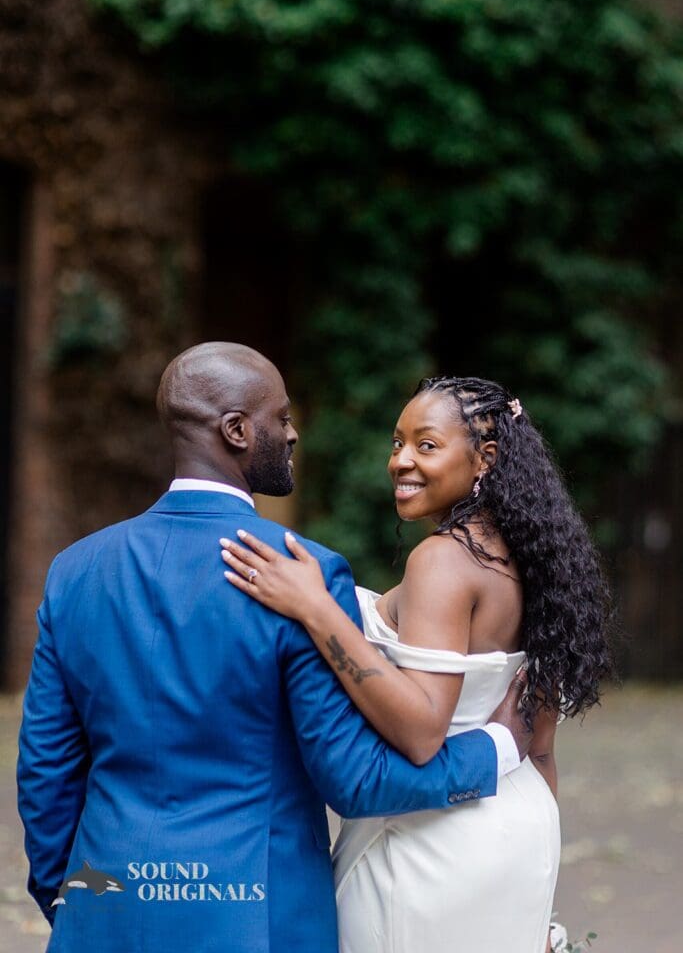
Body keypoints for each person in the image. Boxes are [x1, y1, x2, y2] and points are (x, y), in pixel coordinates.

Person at [17, 346, 531, 953]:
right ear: (236, 430)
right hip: (256, 919)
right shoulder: (298, 572)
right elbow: (357, 779)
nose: (292, 433)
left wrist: (69, 899)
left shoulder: (75, 571)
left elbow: (45, 771)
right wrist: (497, 748)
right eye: (281, 417)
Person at [221, 374, 614, 953]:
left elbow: (423, 729)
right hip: (522, 825)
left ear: (485, 458)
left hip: (435, 838)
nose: (401, 460)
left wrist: (315, 608)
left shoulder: (443, 561)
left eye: (426, 445)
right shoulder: (534, 562)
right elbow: (542, 747)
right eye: (397, 443)